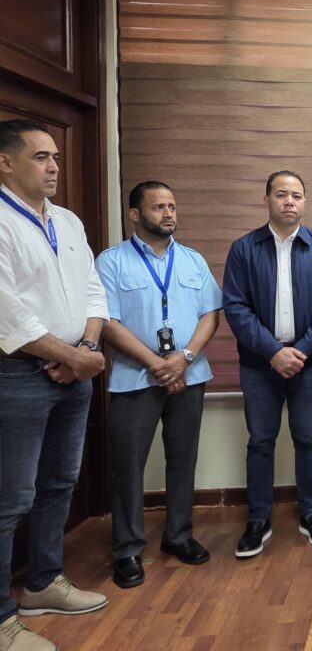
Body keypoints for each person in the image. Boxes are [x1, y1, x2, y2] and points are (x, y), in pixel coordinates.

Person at [0, 119, 109, 650]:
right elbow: (7, 311)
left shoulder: (66, 221)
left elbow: (92, 289)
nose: (54, 167)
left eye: (56, 158)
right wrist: (71, 357)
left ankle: (42, 583)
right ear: (6, 163)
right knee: (10, 498)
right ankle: (2, 619)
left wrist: (84, 351)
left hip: (73, 371)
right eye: (41, 157)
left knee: (60, 482)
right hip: (19, 375)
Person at [96, 181, 222, 589]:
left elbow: (210, 315)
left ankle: (178, 536)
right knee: (128, 467)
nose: (168, 213)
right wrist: (156, 363)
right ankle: (127, 549)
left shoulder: (193, 260)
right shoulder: (111, 262)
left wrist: (184, 358)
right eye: (158, 207)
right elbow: (107, 322)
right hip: (134, 380)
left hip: (189, 374)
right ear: (135, 215)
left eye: (171, 206)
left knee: (183, 459)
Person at [223, 171, 312, 559]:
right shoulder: (244, 249)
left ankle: (310, 512)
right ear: (267, 200)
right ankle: (258, 519)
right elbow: (236, 308)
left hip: (308, 363)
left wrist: (301, 351)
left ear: (305, 202)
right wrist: (273, 352)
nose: (289, 201)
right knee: (261, 440)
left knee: (308, 438)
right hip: (260, 365)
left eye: (296, 195)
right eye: (281, 194)